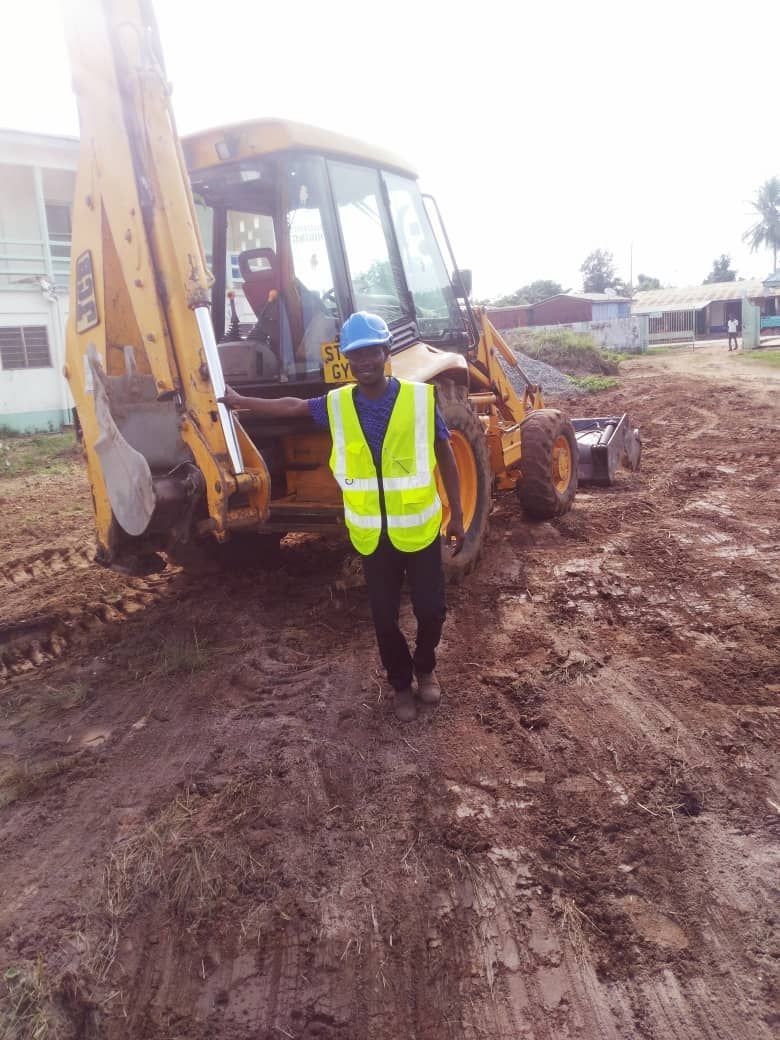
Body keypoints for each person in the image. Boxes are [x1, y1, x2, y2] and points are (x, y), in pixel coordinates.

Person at [220, 311, 465, 722]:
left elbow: (446, 454)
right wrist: (242, 401)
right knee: (384, 620)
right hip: (373, 537)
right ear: (348, 360)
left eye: (371, 352)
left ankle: (425, 669)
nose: (364, 361)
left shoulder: (419, 399)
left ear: (386, 353)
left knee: (431, 611)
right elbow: (294, 406)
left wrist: (456, 513)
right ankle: (401, 684)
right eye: (356, 355)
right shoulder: (337, 404)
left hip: (420, 529)